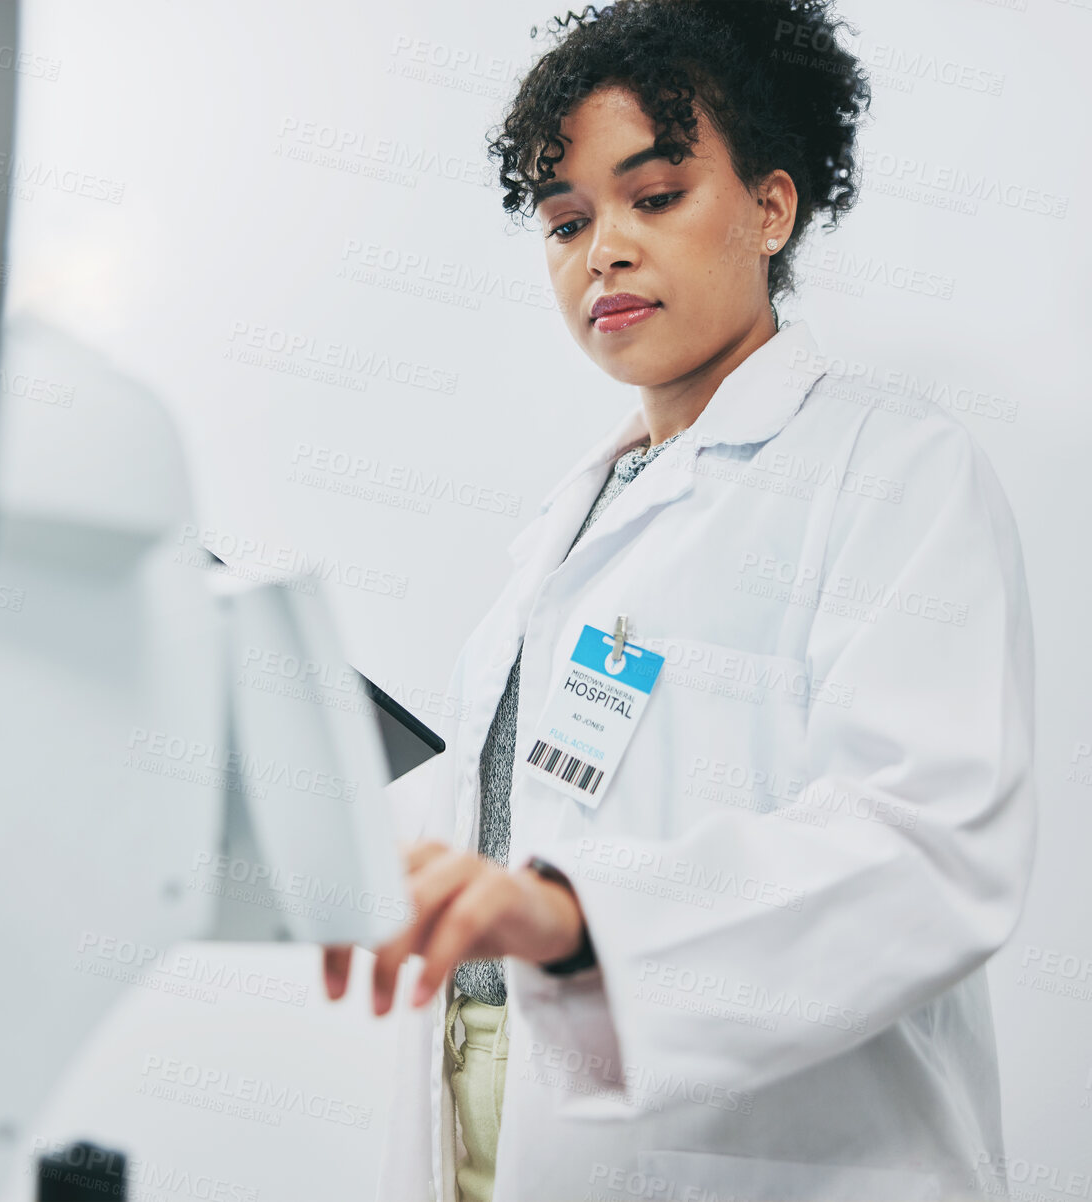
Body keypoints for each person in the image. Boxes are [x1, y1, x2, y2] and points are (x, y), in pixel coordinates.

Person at [322, 2, 1036, 1200]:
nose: (600, 248)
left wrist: (575, 918)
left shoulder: (895, 472)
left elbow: (926, 849)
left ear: (769, 206)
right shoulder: (565, 527)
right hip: (494, 1122)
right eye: (564, 220)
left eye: (652, 197)